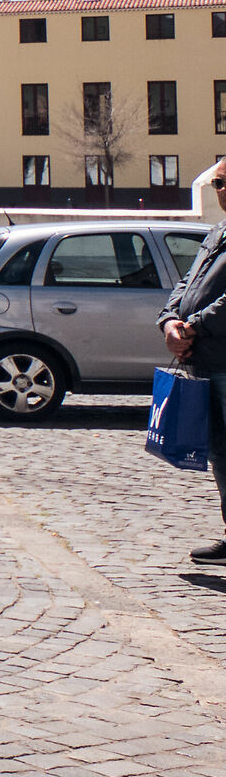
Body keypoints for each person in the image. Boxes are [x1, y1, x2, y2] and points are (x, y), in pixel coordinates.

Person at [161, 158, 226, 566]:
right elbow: (188, 282)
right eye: (218, 182)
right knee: (220, 452)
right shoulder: (218, 231)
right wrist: (170, 321)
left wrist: (194, 326)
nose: (221, 190)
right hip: (205, 360)